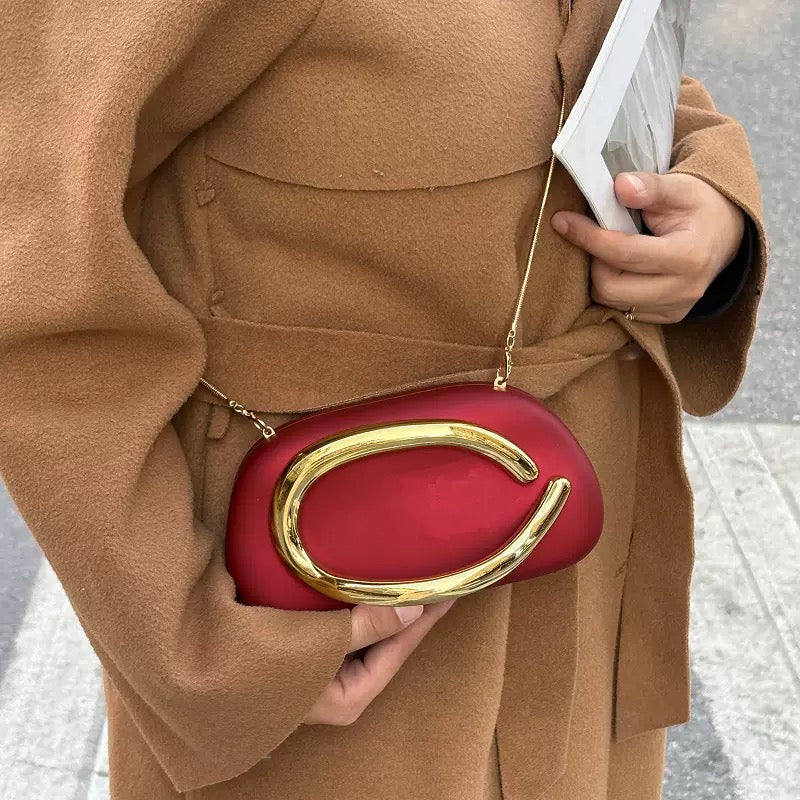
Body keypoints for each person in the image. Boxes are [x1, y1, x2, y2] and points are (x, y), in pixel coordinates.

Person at [0, 1, 766, 798]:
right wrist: (199, 650)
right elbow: (34, 257)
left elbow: (612, 52)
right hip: (329, 636)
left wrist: (709, 204)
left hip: (580, 582)